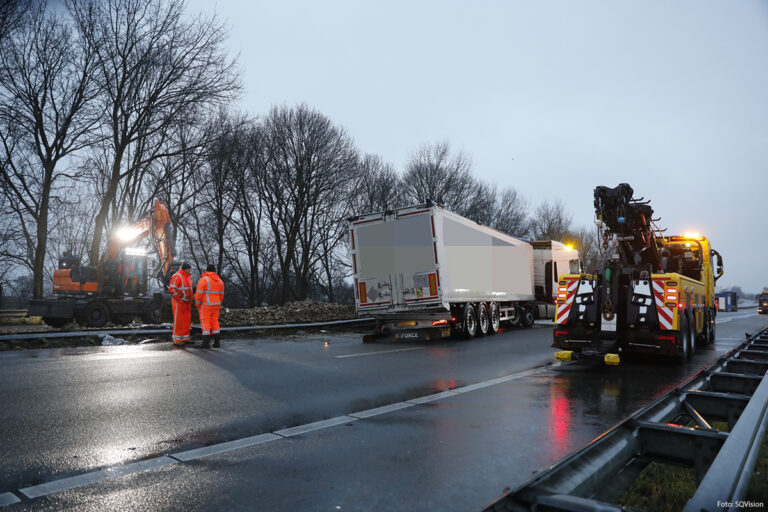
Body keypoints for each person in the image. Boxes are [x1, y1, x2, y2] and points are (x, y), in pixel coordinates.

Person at [195, 264, 225, 348]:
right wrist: (218, 303)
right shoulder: (220, 281)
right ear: (214, 271)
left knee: (205, 323)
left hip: (206, 305)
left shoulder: (204, 280)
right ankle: (217, 342)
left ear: (207, 270)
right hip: (216, 305)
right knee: (215, 322)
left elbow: (198, 294)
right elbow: (221, 295)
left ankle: (206, 342)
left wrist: (197, 304)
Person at [168, 262, 194, 346]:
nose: (190, 270)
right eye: (189, 269)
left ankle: (185, 337)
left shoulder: (187, 277)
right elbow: (172, 289)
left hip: (186, 302)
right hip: (179, 302)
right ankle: (177, 340)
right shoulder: (177, 276)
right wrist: (179, 298)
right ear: (185, 269)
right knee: (178, 320)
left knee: (186, 321)